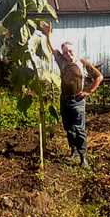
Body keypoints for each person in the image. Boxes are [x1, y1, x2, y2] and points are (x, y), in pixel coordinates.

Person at [40, 22, 103, 168]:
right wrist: (48, 35)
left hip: (78, 101)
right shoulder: (61, 62)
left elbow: (99, 77)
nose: (68, 54)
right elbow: (53, 49)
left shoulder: (82, 63)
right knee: (68, 127)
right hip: (64, 100)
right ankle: (73, 152)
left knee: (79, 129)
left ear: (75, 51)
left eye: (70, 51)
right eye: (66, 52)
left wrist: (89, 91)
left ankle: (83, 158)